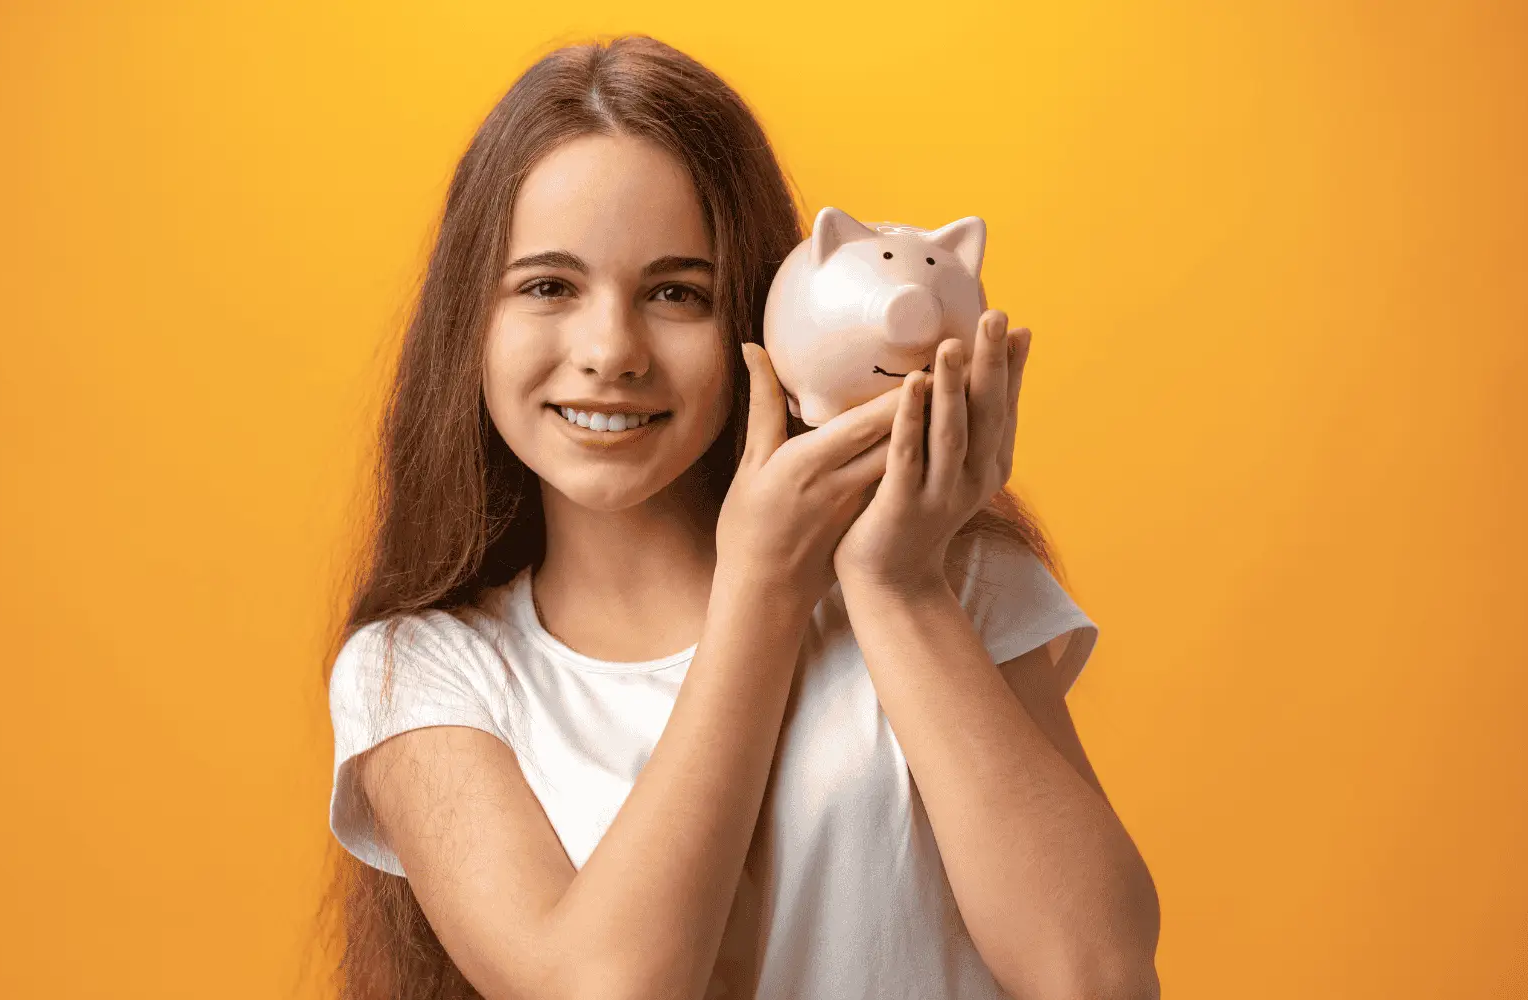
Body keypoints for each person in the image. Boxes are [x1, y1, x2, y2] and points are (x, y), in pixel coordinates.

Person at [322, 34, 1160, 1000]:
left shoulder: (942, 568)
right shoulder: (421, 674)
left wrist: (895, 586)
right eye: (549, 286)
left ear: (759, 317)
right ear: (471, 317)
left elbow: (1095, 971)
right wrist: (763, 589)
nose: (611, 350)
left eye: (677, 292)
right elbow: (608, 989)